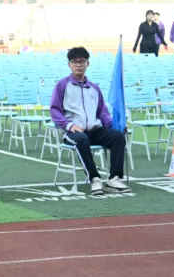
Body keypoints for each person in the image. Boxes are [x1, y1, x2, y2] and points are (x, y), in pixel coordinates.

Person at [49, 47, 130, 195]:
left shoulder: (94, 88)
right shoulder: (62, 85)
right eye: (74, 61)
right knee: (82, 139)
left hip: (95, 130)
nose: (78, 65)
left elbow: (103, 112)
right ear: (69, 64)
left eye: (82, 61)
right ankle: (95, 179)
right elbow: (55, 110)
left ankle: (114, 178)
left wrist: (114, 125)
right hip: (73, 131)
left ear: (87, 63)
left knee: (118, 137)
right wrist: (69, 125)